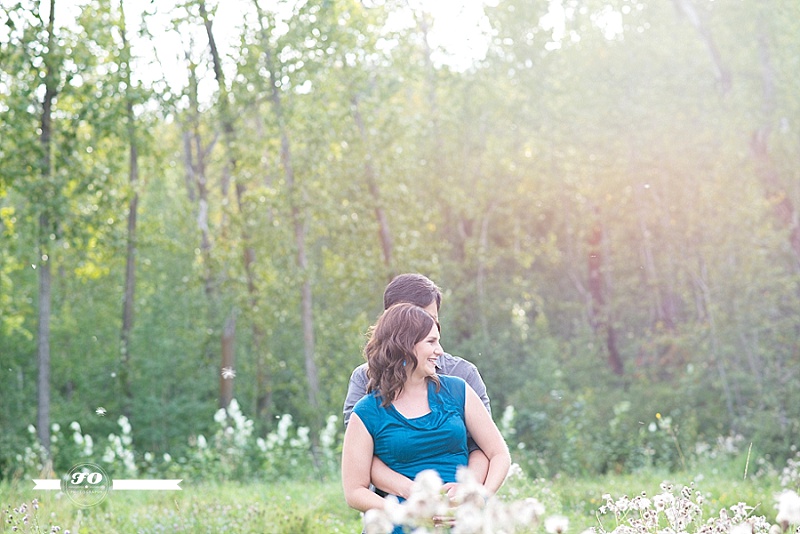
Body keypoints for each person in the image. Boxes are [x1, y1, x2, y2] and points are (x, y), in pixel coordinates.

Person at [341, 303, 511, 531]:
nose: (439, 350)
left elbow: (499, 454)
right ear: (405, 346)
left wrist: (479, 499)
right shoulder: (366, 412)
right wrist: (404, 514)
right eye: (431, 342)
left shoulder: (458, 390)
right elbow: (354, 491)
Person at [342, 274, 492, 498]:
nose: (423, 325)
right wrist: (414, 494)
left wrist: (465, 493)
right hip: (392, 507)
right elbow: (360, 460)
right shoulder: (365, 378)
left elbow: (482, 447)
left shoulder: (462, 375)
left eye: (430, 318)